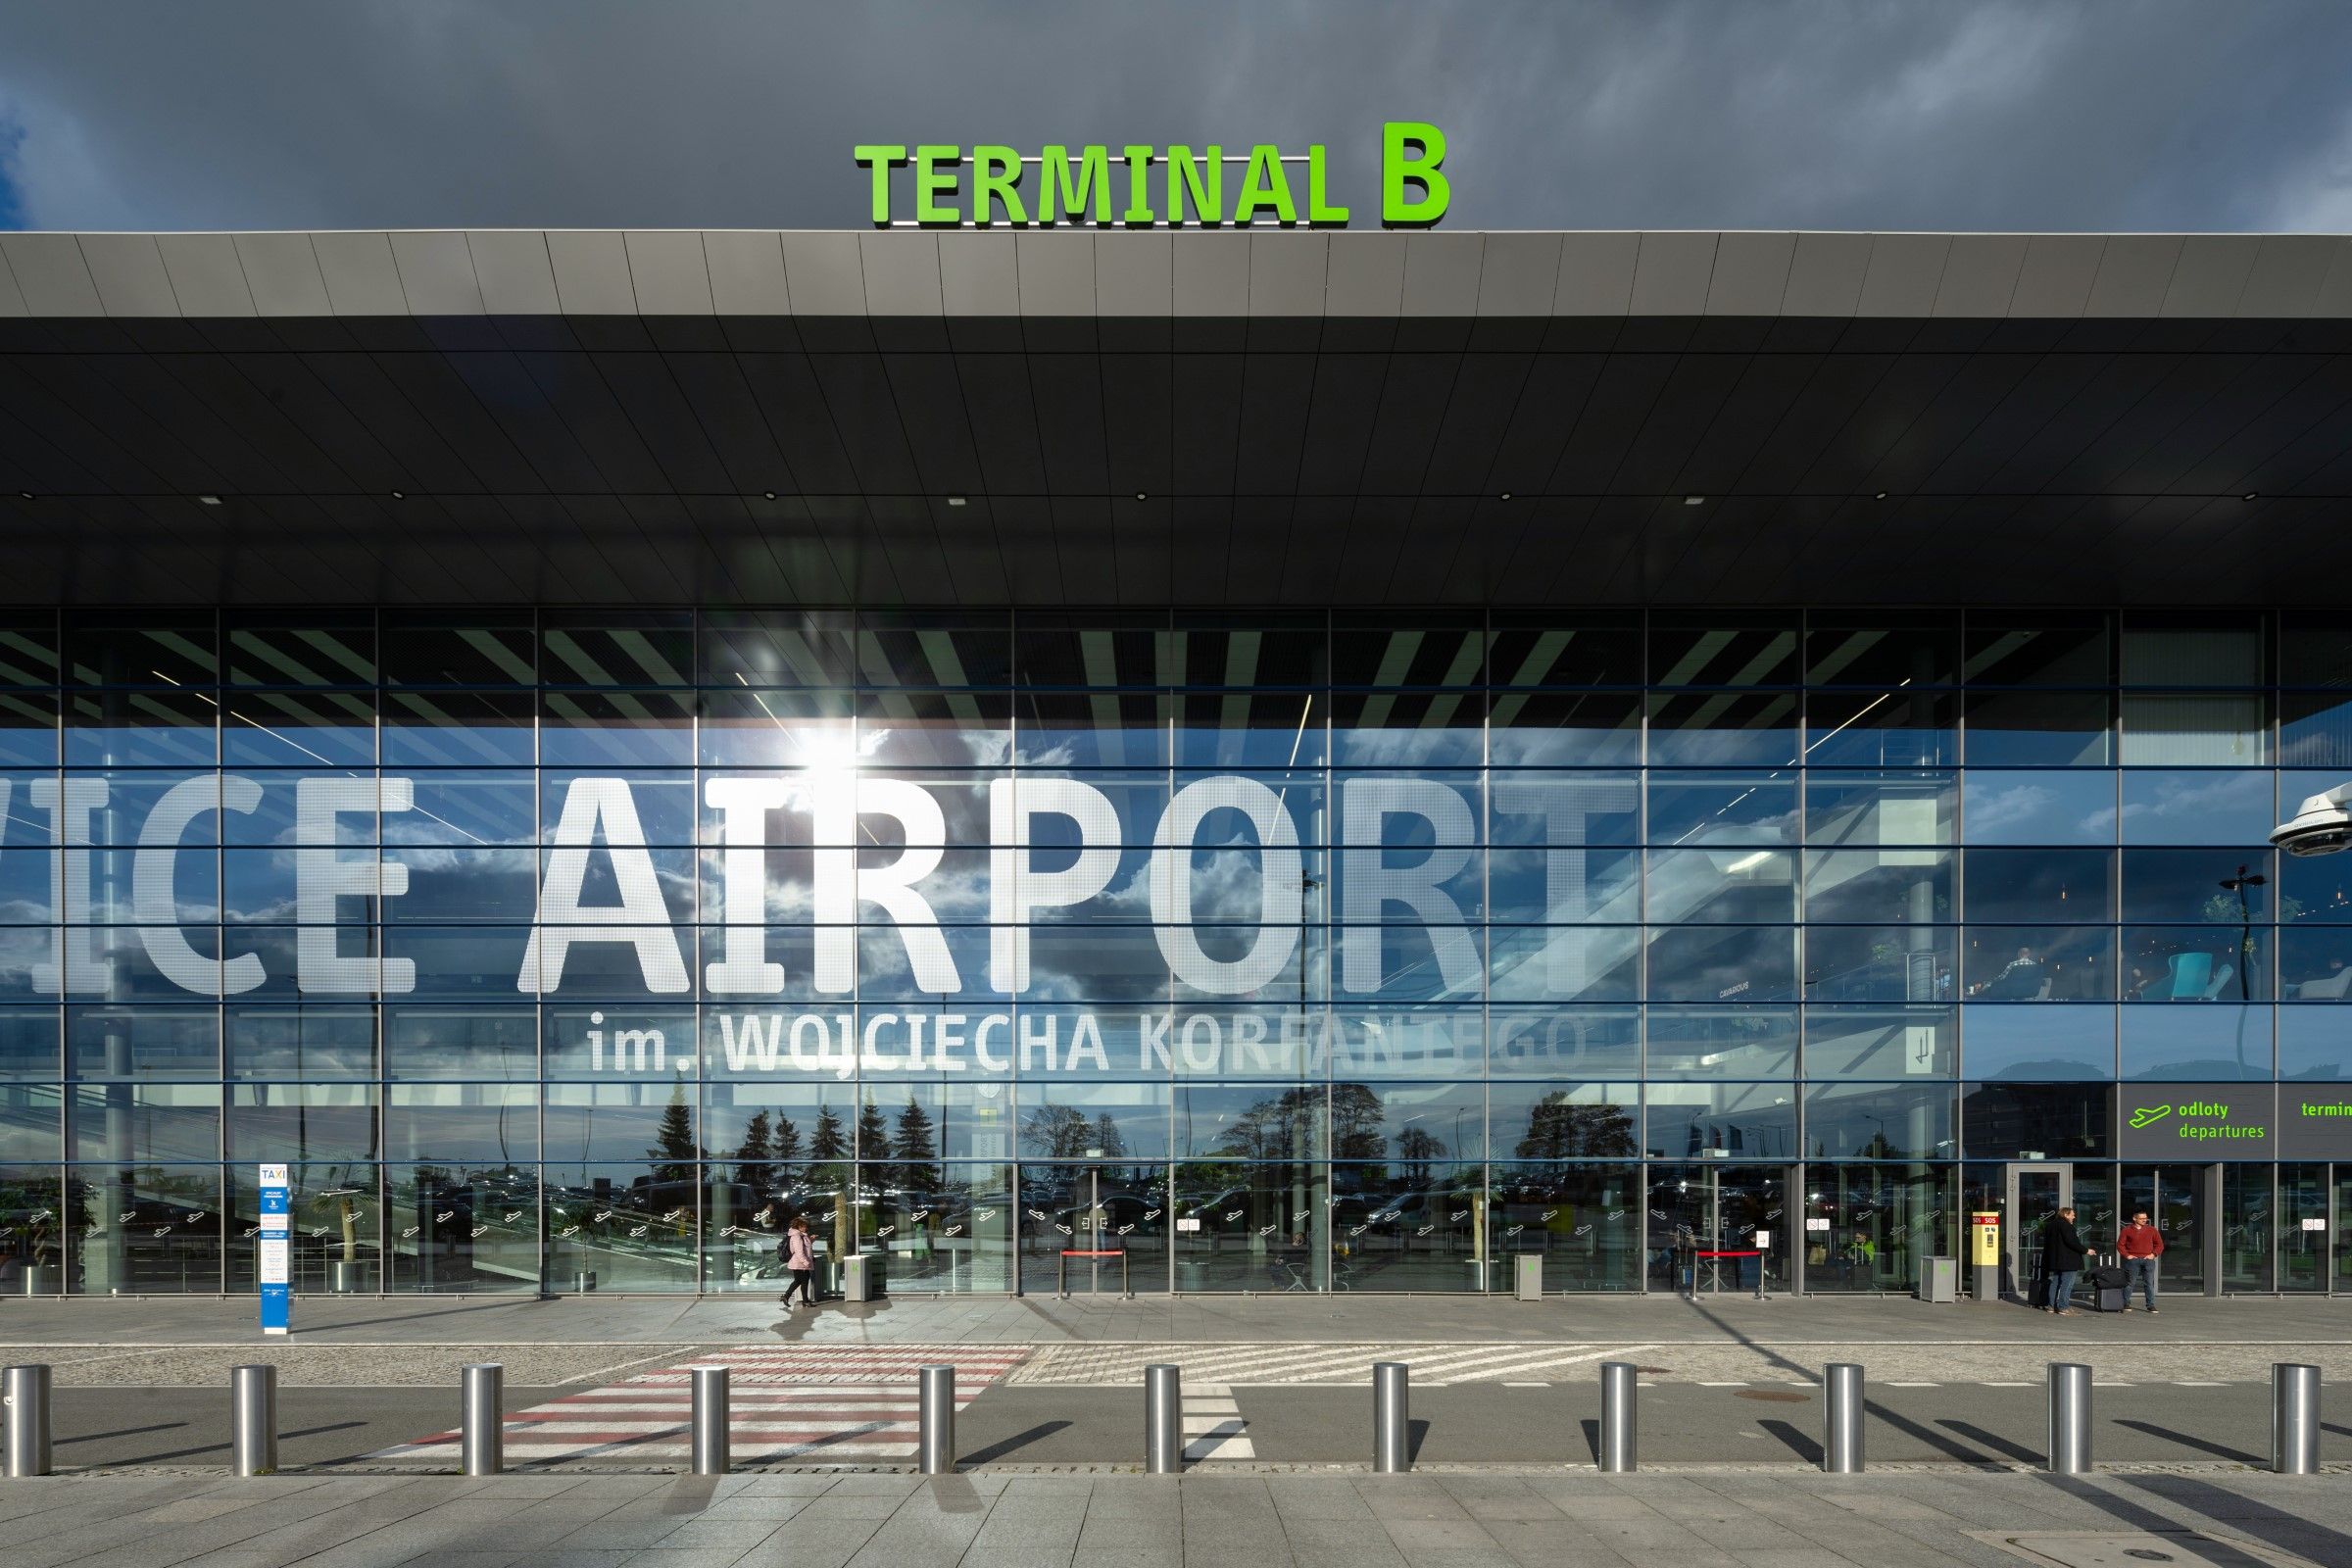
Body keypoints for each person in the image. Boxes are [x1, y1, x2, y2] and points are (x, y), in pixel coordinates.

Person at [2040, 1203, 2088, 1316]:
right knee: (2067, 1283)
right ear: (2066, 1215)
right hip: (2068, 1260)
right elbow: (2072, 1242)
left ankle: (2051, 1306)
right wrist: (2086, 1250)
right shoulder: (2067, 1226)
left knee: (2055, 1282)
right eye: (2072, 1215)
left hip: (2055, 1260)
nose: (2074, 1217)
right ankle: (2063, 1307)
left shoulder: (2050, 1225)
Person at [2117, 1209, 2164, 1313]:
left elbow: (2159, 1244)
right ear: (2134, 1219)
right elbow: (2120, 1244)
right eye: (2142, 1218)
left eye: (2145, 1218)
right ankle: (2126, 1303)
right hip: (2133, 1260)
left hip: (2148, 1260)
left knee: (2149, 1283)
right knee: (2130, 1283)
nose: (2144, 1220)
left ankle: (2150, 1305)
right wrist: (2127, 1255)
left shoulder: (2152, 1230)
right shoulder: (2127, 1230)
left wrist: (2153, 1254)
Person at [779, 1214, 817, 1309]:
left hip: (800, 1263)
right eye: (803, 1226)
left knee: (802, 1281)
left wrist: (811, 1240)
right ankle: (792, 1298)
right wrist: (806, 1262)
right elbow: (799, 1252)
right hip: (799, 1263)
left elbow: (804, 1248)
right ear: (798, 1227)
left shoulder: (801, 1235)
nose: (805, 1227)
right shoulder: (796, 1236)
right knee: (800, 1281)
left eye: (805, 1226)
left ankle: (804, 1300)